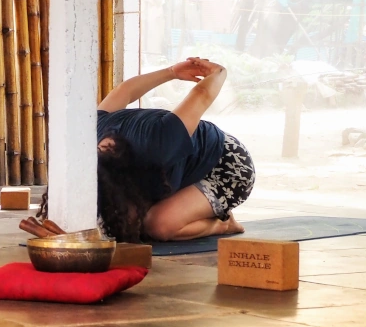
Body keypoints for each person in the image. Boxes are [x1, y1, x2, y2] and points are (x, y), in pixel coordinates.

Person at [21, 57, 254, 243]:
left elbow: (202, 95)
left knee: (156, 225)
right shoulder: (92, 132)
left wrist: (218, 73)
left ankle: (223, 223)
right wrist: (171, 72)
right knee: (124, 224)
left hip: (228, 166)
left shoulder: (161, 142)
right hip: (184, 163)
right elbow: (126, 91)